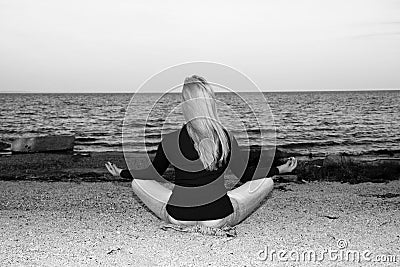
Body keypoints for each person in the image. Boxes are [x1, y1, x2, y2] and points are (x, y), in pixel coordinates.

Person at [106, 75, 297, 228]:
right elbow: (246, 174)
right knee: (266, 182)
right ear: (210, 101)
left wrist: (122, 172)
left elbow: (152, 173)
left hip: (179, 217)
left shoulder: (170, 139)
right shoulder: (226, 138)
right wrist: (280, 170)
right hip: (217, 218)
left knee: (138, 182)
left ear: (185, 104)